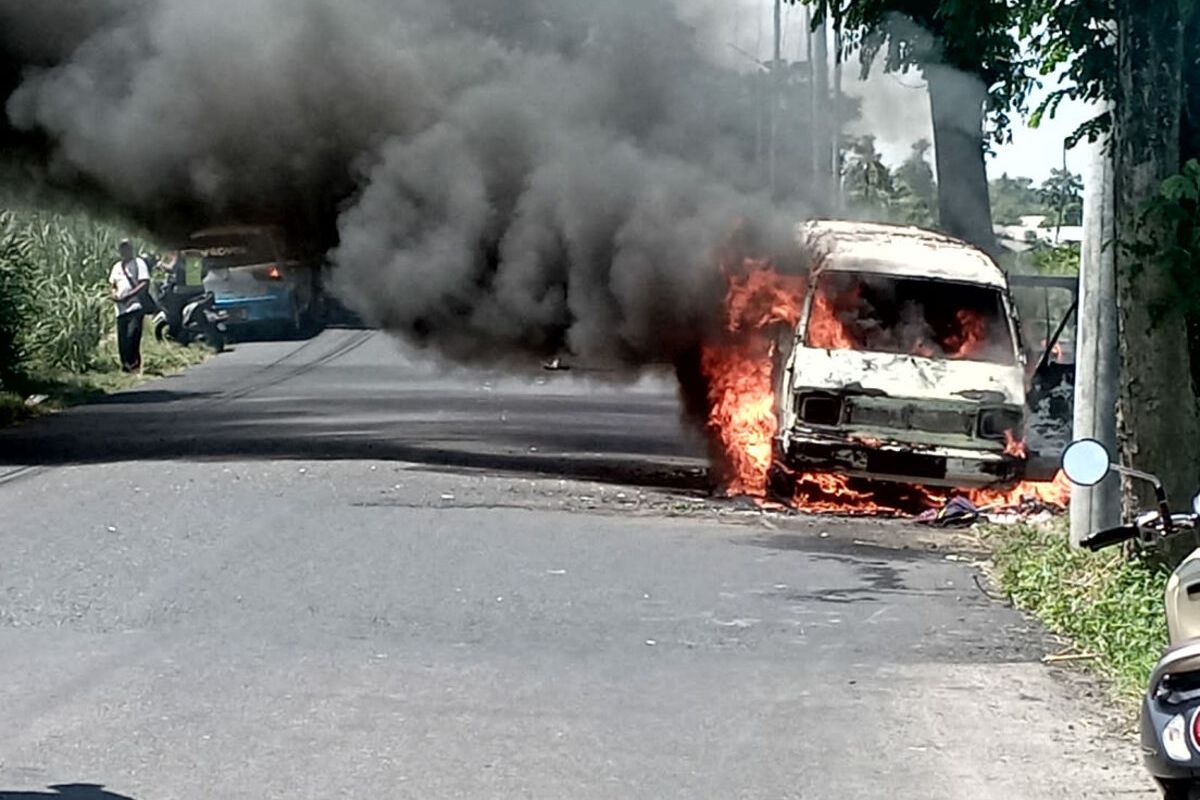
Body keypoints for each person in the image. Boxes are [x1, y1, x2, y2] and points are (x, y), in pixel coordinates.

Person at [109, 239, 151, 373]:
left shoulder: (139, 263)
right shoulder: (116, 266)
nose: (124, 250)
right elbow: (113, 284)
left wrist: (129, 296)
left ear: (131, 249)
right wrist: (114, 294)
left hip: (135, 306)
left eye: (126, 247)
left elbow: (144, 282)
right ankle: (125, 366)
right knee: (122, 339)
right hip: (120, 309)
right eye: (122, 248)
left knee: (133, 335)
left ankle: (134, 365)